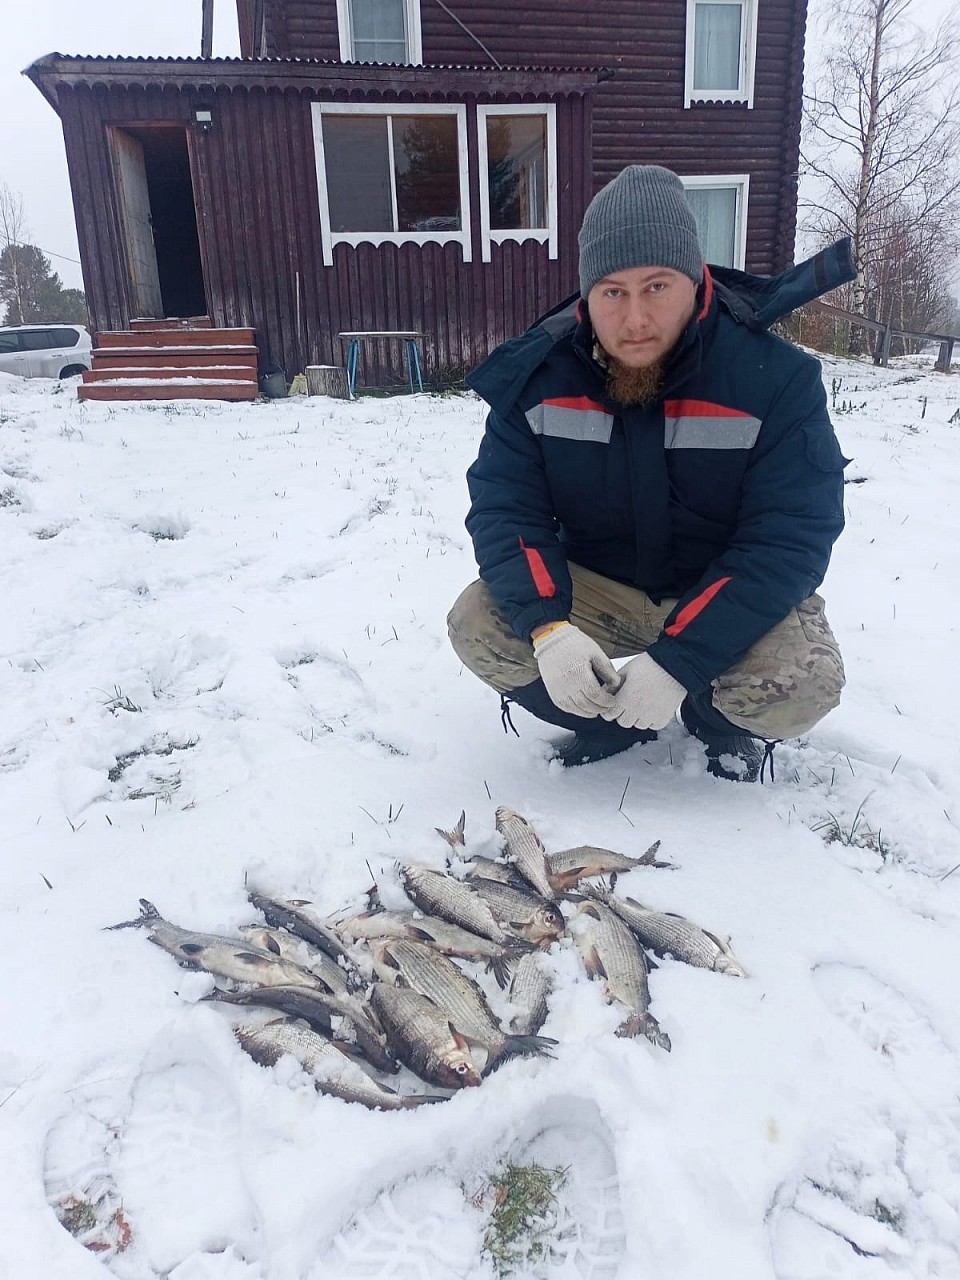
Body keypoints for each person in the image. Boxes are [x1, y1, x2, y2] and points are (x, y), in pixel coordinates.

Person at [447, 164, 851, 782]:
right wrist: (550, 627)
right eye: (613, 291)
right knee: (481, 623)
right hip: (600, 585)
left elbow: (788, 539)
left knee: (801, 683)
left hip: (717, 587)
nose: (634, 318)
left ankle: (713, 720)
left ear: (696, 282)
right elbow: (507, 509)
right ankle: (607, 719)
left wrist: (681, 659)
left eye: (656, 287)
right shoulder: (539, 378)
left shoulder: (776, 380)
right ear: (587, 296)